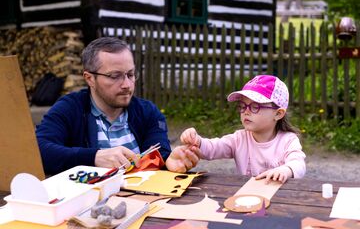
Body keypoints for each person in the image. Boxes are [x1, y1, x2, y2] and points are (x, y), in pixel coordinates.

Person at [36, 37, 197, 175]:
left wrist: (169, 160)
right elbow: (38, 150)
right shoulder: (70, 108)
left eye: (131, 74)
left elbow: (158, 154)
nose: (127, 84)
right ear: (89, 78)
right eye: (115, 76)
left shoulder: (148, 112)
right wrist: (94, 157)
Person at [174, 75, 306, 183]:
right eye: (243, 106)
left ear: (278, 114)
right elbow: (214, 148)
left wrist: (286, 170)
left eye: (255, 107)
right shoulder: (239, 139)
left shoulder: (288, 140)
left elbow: (299, 164)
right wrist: (197, 140)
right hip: (247, 198)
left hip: (281, 198)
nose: (246, 112)